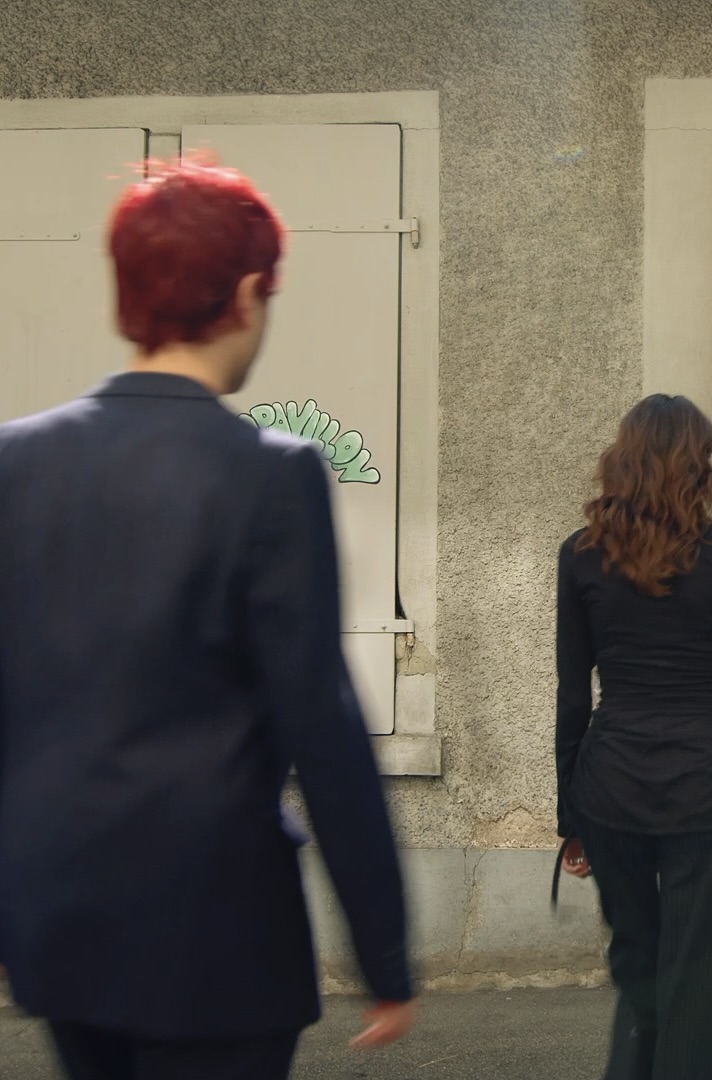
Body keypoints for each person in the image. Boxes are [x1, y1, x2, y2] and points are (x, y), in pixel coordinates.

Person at [0, 160, 414, 1079]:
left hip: (61, 924)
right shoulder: (270, 472)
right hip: (218, 934)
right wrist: (384, 953)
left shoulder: (14, 462)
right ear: (246, 293)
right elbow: (322, 726)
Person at [553, 394, 712, 1080]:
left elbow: (572, 697)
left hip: (610, 792)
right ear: (697, 466)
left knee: (639, 977)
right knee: (690, 989)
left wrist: (571, 817)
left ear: (622, 461)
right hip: (708, 795)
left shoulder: (580, 557)